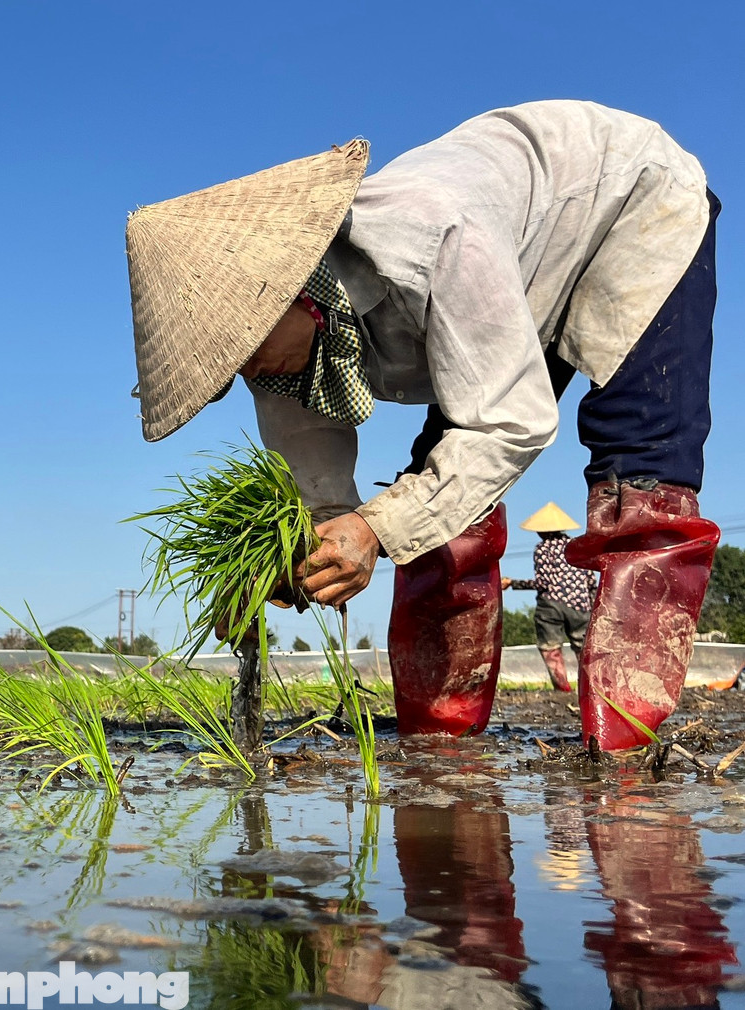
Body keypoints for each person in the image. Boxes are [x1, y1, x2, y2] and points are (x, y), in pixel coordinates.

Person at [126, 100, 721, 750]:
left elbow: (511, 424)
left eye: (245, 353)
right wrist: (294, 552)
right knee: (446, 508)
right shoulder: (278, 350)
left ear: (292, 291)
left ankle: (624, 754)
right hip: (516, 260)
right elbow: (318, 481)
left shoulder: (434, 243)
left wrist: (376, 528)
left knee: (639, 476)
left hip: (626, 201)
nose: (249, 374)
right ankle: (440, 740)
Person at [501, 502, 596, 692]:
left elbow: (543, 583)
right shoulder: (577, 546)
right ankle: (591, 690)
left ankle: (563, 688)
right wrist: (592, 608)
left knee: (551, 648)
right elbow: (591, 582)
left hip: (551, 605)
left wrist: (513, 583)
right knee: (584, 648)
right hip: (581, 606)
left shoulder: (543, 549)